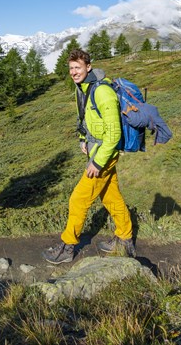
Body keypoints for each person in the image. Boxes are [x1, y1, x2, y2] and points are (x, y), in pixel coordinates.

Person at [42, 48, 135, 264]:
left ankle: (67, 246)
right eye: (71, 68)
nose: (74, 72)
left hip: (104, 155)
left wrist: (98, 162)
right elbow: (85, 118)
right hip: (97, 151)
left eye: (78, 67)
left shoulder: (102, 92)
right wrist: (83, 139)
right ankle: (125, 238)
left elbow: (114, 133)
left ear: (88, 67)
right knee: (111, 197)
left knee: (78, 199)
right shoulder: (82, 88)